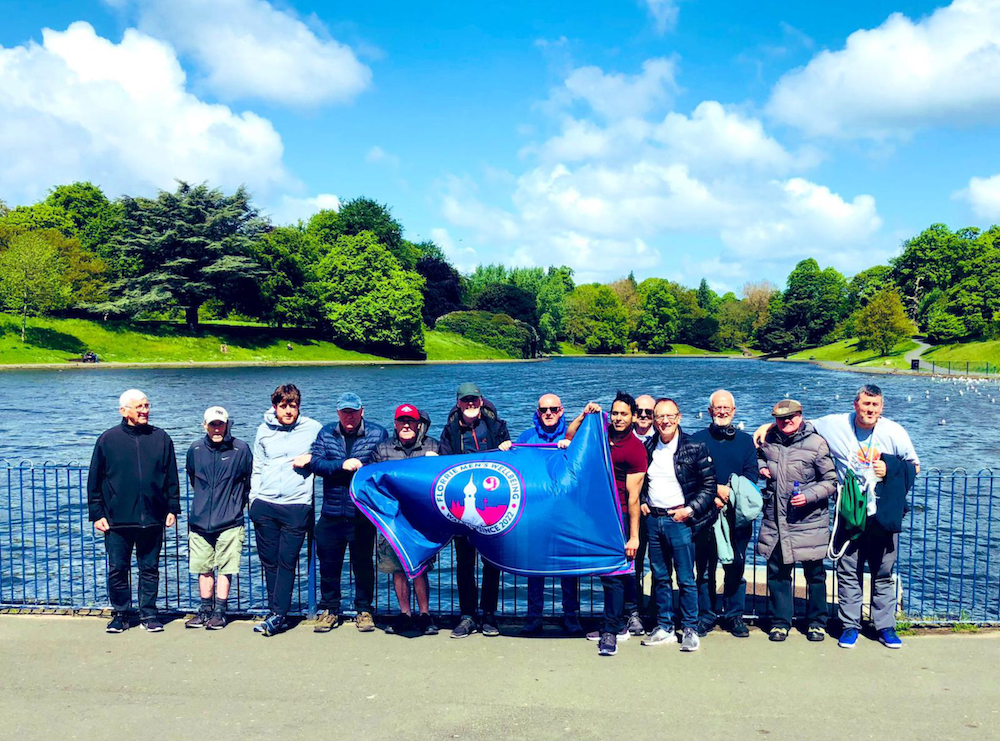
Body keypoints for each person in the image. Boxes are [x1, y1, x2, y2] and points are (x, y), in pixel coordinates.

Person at [757, 385, 919, 649]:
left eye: (875, 405)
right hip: (849, 513)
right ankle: (850, 625)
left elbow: (915, 466)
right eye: (865, 404)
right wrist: (766, 427)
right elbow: (796, 421)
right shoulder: (834, 424)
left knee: (883, 572)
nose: (870, 410)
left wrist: (890, 467)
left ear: (882, 407)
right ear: (855, 405)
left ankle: (885, 626)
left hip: (883, 512)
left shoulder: (894, 431)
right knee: (848, 571)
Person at [87, 389, 180, 634]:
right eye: (139, 406)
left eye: (147, 406)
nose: (144, 411)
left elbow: (171, 476)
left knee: (149, 569)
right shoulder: (108, 439)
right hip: (117, 520)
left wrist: (173, 508)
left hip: (152, 517)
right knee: (118, 569)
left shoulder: (161, 438)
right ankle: (121, 614)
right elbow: (94, 480)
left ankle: (149, 614)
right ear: (124, 410)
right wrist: (97, 514)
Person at [566, 392, 645, 657]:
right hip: (594, 516)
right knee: (605, 573)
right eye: (615, 413)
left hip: (619, 517)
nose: (618, 418)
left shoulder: (635, 449)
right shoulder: (599, 432)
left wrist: (633, 537)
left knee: (614, 575)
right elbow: (569, 436)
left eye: (624, 414)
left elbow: (634, 496)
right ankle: (617, 623)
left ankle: (611, 630)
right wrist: (585, 414)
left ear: (633, 417)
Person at [638, 398, 717, 652]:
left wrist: (690, 510)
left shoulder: (695, 446)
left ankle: (690, 628)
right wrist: (641, 501)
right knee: (660, 576)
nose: (665, 421)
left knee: (686, 578)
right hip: (654, 519)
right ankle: (664, 626)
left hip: (680, 520)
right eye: (659, 416)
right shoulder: (649, 446)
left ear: (679, 417)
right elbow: (639, 480)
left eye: (669, 416)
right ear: (653, 420)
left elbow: (709, 486)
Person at [756, 399, 837, 643]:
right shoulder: (768, 440)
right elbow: (757, 457)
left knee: (815, 575)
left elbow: (831, 481)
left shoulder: (817, 444)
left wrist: (809, 496)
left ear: (801, 416)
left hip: (809, 521)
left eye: (792, 417)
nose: (787, 421)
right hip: (776, 520)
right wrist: (761, 467)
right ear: (775, 420)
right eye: (781, 418)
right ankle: (781, 622)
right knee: (778, 574)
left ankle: (816, 622)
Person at [309, 392, 387, 634]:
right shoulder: (326, 433)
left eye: (353, 411)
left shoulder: (377, 433)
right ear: (338, 413)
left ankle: (364, 610)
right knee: (328, 565)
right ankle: (329, 609)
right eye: (344, 412)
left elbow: (382, 465)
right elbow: (315, 462)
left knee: (363, 564)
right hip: (331, 512)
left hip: (362, 513)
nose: (349, 416)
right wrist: (340, 466)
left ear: (362, 411)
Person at [440, 382, 513, 638]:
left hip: (493, 506)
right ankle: (468, 615)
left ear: (481, 401)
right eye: (465, 401)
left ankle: (489, 615)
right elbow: (443, 463)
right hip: (463, 508)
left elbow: (512, 462)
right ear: (458, 403)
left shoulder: (496, 427)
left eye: (474, 400)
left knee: (492, 563)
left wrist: (507, 447)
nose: (470, 404)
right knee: (464, 564)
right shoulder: (449, 431)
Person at [249, 384, 322, 636]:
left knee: (287, 560)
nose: (288, 411)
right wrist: (253, 500)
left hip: (296, 505)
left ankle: (279, 613)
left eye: (293, 405)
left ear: (298, 406)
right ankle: (274, 612)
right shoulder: (263, 431)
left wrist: (312, 459)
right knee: (269, 562)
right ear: (275, 407)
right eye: (283, 406)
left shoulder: (313, 428)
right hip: (265, 505)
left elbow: (325, 454)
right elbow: (257, 466)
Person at [690, 390, 760, 638]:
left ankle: (734, 615)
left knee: (736, 566)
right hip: (705, 514)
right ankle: (706, 615)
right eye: (717, 408)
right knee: (705, 567)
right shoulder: (696, 440)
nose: (722, 412)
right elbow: (691, 476)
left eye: (726, 409)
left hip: (736, 513)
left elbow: (752, 476)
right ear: (710, 411)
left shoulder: (745, 441)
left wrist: (730, 491)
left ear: (734, 411)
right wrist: (715, 493)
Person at [368, 403, 441, 636]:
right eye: (402, 421)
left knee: (420, 570)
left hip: (421, 522)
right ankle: (405, 614)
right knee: (398, 570)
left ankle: (425, 615)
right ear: (396, 424)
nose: (407, 425)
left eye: (411, 421)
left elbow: (445, 479)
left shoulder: (432, 446)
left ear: (418, 424)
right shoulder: (382, 449)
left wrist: (437, 461)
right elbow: (371, 481)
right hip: (392, 521)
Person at [515, 393, 582, 636]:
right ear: (538, 411)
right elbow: (512, 464)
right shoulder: (526, 437)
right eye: (544, 410)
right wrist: (505, 449)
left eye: (554, 409)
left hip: (566, 512)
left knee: (568, 568)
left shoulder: (573, 436)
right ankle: (534, 617)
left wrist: (570, 447)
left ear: (562, 410)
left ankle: (571, 616)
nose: (549, 413)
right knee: (536, 566)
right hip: (536, 512)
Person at [184, 406, 253, 630]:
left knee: (226, 567)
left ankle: (220, 611)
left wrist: (235, 505)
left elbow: (248, 481)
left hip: (230, 520)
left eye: (220, 424)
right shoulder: (195, 449)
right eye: (212, 424)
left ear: (227, 424)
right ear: (205, 425)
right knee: (203, 567)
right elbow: (193, 478)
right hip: (200, 521)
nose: (217, 429)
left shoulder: (240, 449)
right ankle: (205, 610)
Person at [631, 393, 657, 625]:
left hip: (654, 512)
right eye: (638, 411)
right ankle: (634, 611)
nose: (643, 416)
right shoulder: (620, 437)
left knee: (659, 565)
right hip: (629, 513)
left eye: (649, 412)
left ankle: (657, 613)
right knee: (632, 565)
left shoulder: (663, 439)